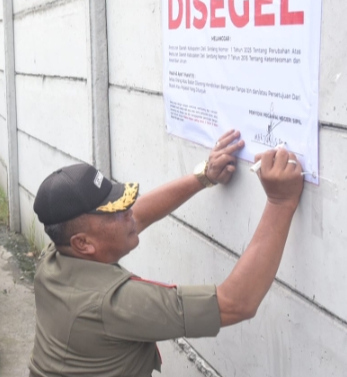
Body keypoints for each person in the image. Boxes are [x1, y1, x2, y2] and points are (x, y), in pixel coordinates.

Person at [29, 131, 304, 377]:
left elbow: (138, 215)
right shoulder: (115, 303)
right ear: (83, 243)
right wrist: (281, 201)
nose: (129, 213)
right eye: (115, 212)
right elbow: (235, 303)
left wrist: (204, 176)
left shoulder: (56, 256)